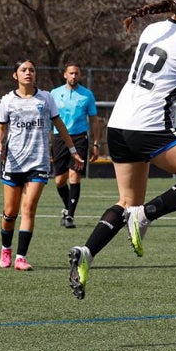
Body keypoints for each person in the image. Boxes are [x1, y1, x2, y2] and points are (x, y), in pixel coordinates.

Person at [67, 0, 176, 299]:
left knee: (126, 202)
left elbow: (168, 84)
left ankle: (87, 252)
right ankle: (147, 214)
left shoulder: (152, 30)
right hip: (149, 128)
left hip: (119, 126)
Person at [0, 60, 83, 271]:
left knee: (29, 208)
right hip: (14, 163)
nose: (28, 73)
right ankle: (6, 248)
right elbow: (1, 128)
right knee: (10, 212)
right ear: (15, 75)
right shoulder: (7, 101)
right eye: (23, 70)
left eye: (31, 70)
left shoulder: (46, 98)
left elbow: (59, 125)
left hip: (39, 162)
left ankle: (21, 257)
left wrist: (73, 151)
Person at [49, 62, 99, 229]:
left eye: (76, 73)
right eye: (70, 73)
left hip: (79, 139)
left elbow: (93, 120)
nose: (73, 76)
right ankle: (67, 207)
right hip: (59, 138)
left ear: (80, 75)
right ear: (65, 75)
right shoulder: (54, 94)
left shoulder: (87, 95)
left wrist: (96, 143)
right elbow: (48, 118)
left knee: (74, 176)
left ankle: (70, 215)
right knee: (59, 181)